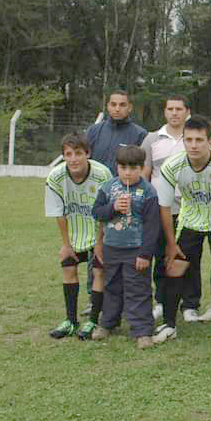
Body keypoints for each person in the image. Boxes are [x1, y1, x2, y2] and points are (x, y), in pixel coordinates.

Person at [154, 117, 211, 347]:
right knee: (174, 267)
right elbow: (164, 207)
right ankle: (169, 324)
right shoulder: (171, 166)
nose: (194, 145)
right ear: (184, 141)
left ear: (210, 142)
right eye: (189, 140)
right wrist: (170, 243)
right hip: (191, 219)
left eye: (199, 140)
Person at [90, 146, 160, 349]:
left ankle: (142, 330)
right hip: (112, 247)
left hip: (136, 250)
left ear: (141, 168)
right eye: (123, 167)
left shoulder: (148, 192)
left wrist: (145, 254)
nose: (128, 172)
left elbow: (152, 226)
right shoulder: (108, 188)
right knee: (112, 286)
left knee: (138, 289)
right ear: (116, 167)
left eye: (133, 167)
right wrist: (113, 208)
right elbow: (97, 213)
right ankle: (108, 323)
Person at [44, 134, 112, 340]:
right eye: (68, 154)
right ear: (63, 156)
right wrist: (66, 244)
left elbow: (105, 211)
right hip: (74, 233)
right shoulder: (55, 177)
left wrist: (100, 244)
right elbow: (58, 212)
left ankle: (92, 320)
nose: (73, 159)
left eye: (78, 154)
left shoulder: (102, 174)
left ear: (87, 154)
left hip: (99, 232)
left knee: (99, 272)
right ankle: (71, 321)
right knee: (68, 266)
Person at [141, 95, 190, 320]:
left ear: (186, 112)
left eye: (178, 108)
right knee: (161, 256)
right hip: (160, 210)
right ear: (165, 112)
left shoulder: (193, 138)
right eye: (170, 108)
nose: (174, 113)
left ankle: (190, 303)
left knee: (188, 257)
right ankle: (161, 300)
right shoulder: (152, 139)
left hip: (189, 209)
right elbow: (145, 173)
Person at [85, 89, 147, 173]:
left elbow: (143, 168)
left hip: (125, 185)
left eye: (122, 105)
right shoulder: (93, 131)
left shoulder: (140, 135)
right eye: (113, 105)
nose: (117, 109)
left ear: (130, 107)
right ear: (108, 106)